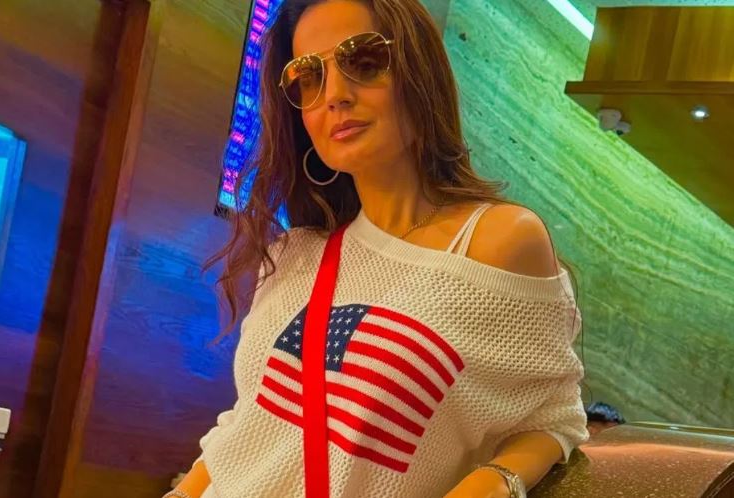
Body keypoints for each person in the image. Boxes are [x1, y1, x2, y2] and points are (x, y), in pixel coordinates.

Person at [165, 0, 589, 497]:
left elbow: (552, 416)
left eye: (364, 61)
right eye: (309, 77)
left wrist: (494, 483)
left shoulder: (499, 242)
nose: (335, 95)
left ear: (418, 71)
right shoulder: (296, 254)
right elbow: (249, 423)